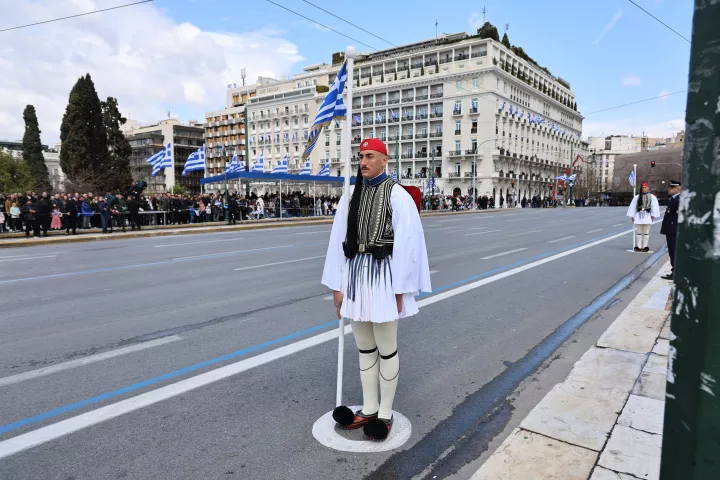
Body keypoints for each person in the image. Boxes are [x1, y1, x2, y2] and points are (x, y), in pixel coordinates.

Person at [322, 138, 431, 441]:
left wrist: (401, 289)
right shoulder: (350, 195)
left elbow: (409, 244)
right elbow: (338, 241)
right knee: (364, 347)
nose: (363, 162)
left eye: (370, 156)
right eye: (361, 156)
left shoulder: (397, 195)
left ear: (385, 160)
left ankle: (385, 412)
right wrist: (337, 287)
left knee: (386, 347)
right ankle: (369, 407)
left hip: (384, 277)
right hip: (356, 276)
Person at [626, 182, 660, 252]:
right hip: (638, 215)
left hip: (647, 215)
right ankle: (639, 246)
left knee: (646, 232)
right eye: (643, 188)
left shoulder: (652, 197)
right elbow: (633, 206)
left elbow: (654, 206)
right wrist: (632, 216)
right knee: (639, 232)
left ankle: (645, 246)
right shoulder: (637, 197)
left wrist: (653, 215)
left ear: (648, 188)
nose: (644, 189)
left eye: (645, 187)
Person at [661, 180, 681, 280]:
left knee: (674, 251)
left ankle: (676, 273)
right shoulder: (672, 199)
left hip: (674, 229)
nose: (668, 189)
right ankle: (675, 271)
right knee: (671, 251)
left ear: (677, 189)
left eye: (671, 188)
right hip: (670, 229)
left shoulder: (679, 200)